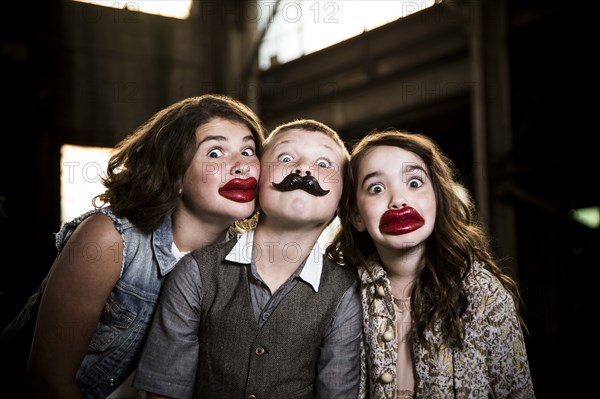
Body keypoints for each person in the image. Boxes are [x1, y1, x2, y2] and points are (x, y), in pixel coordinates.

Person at [0, 94, 266, 398]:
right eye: (215, 153)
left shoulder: (245, 270)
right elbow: (47, 380)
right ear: (175, 173)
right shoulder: (110, 239)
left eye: (248, 150)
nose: (242, 167)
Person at [132, 119, 363, 399]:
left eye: (324, 164)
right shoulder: (194, 272)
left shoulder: (344, 293)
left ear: (342, 201)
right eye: (286, 157)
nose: (303, 169)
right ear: (257, 179)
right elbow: (164, 391)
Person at [327, 129, 535, 398]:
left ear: (437, 196)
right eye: (376, 188)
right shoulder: (341, 296)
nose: (398, 200)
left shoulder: (486, 295)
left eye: (414, 183)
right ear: (356, 214)